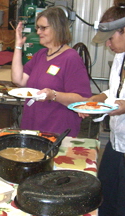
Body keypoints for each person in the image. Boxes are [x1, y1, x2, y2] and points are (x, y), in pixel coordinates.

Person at [11, 6, 92, 137]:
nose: (38, 32)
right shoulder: (41, 55)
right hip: (33, 127)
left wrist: (54, 95)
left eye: (43, 28)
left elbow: (82, 100)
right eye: (37, 27)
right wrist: (18, 45)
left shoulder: (70, 58)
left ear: (57, 28)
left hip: (57, 130)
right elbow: (18, 80)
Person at [80, 1, 125, 216]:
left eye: (110, 38)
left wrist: (118, 107)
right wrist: (93, 100)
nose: (108, 44)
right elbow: (114, 92)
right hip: (118, 141)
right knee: (106, 196)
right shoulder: (120, 57)